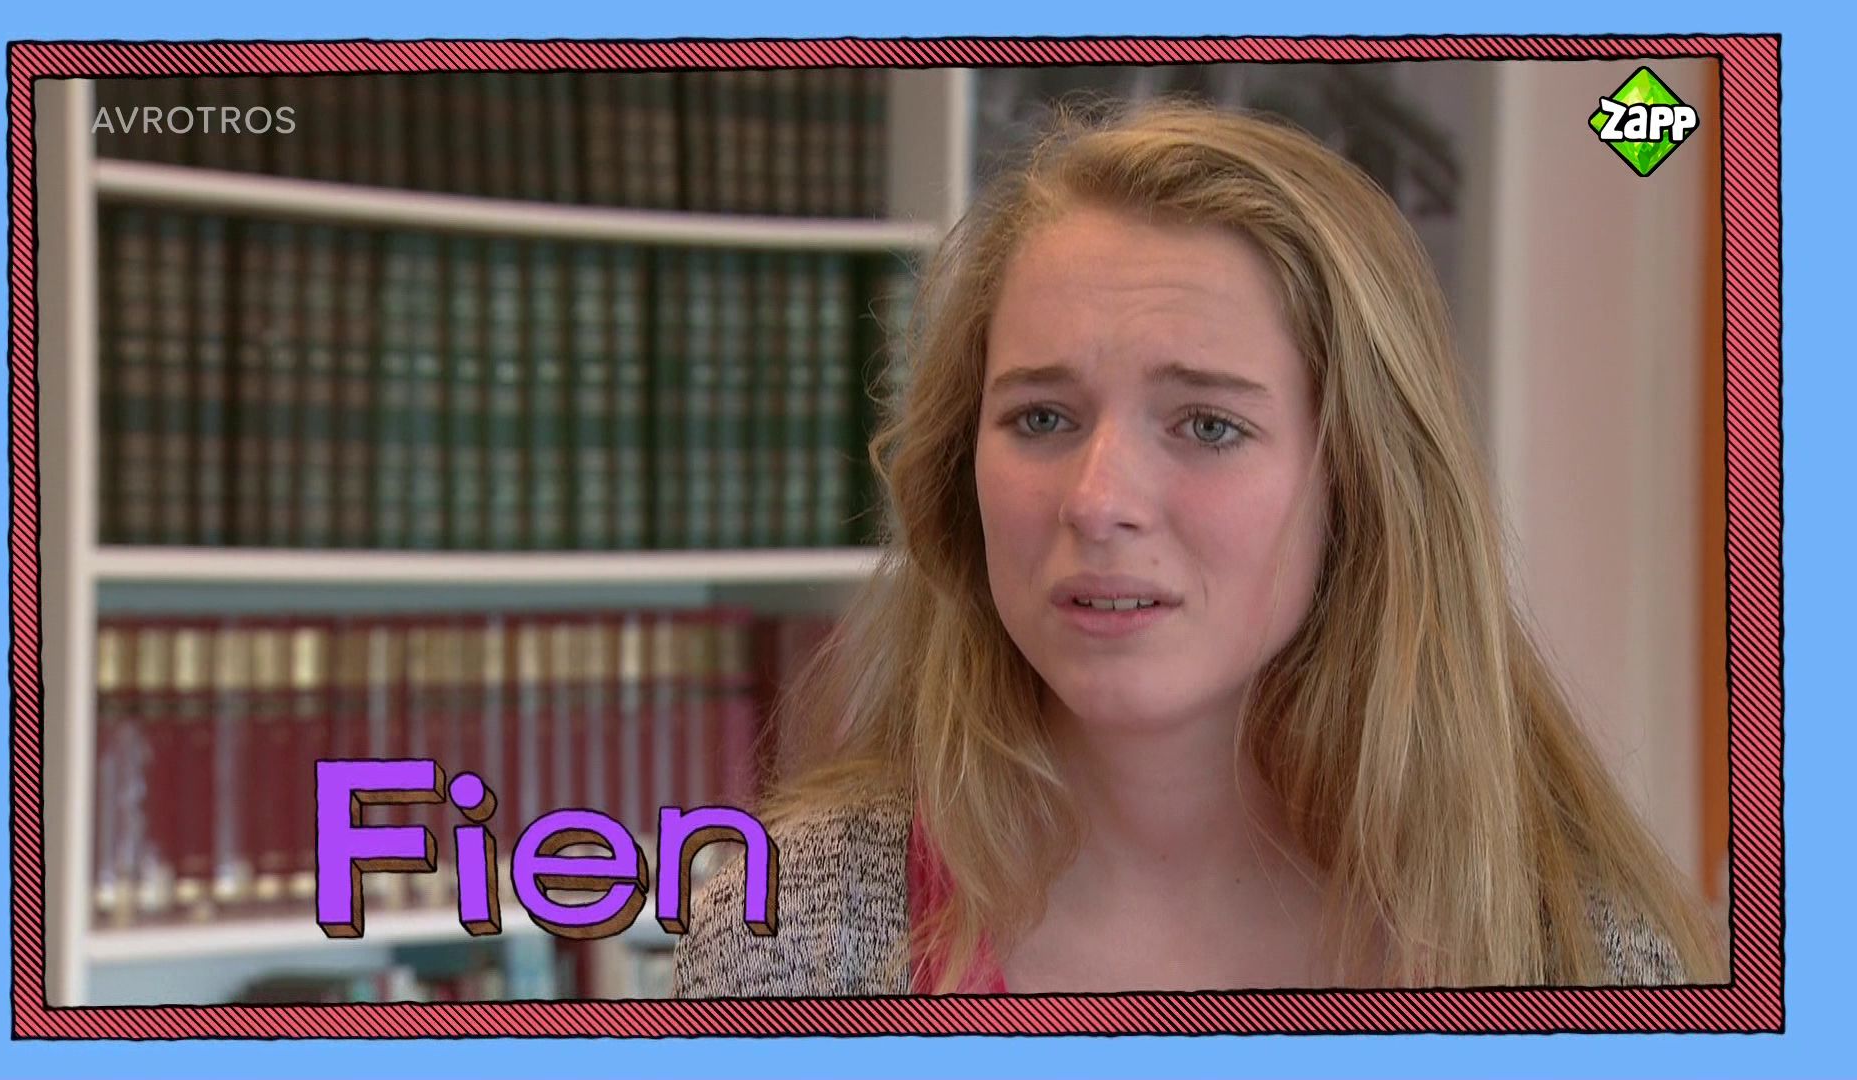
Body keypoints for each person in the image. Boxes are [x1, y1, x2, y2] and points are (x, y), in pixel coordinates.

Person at [672, 99, 1728, 996]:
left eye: (1209, 426)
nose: (1098, 502)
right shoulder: (787, 937)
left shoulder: (1581, 956)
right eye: (1042, 418)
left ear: (1361, 483)